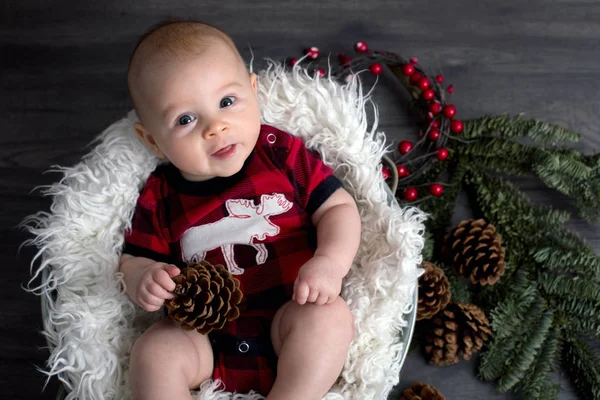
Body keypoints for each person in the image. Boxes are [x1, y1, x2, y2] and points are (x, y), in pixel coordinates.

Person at [120, 19, 360, 400]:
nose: (215, 127)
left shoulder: (280, 154)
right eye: (186, 119)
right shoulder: (160, 196)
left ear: (253, 91)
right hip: (205, 338)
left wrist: (330, 262)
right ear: (154, 141)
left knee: (329, 320)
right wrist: (143, 277)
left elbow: (338, 208)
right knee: (154, 352)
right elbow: (133, 258)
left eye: (227, 103)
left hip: (292, 311)